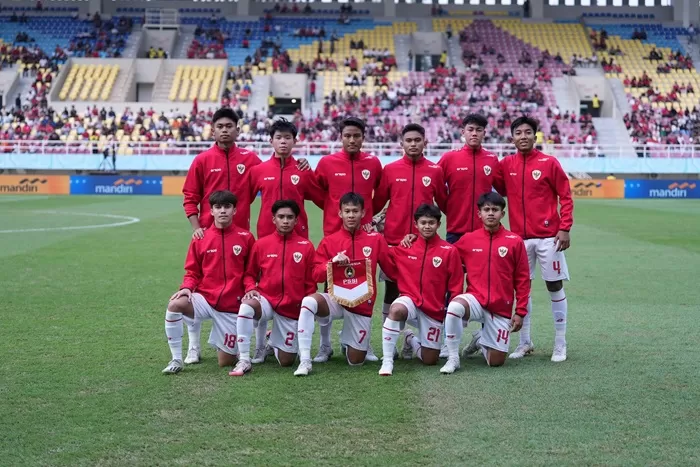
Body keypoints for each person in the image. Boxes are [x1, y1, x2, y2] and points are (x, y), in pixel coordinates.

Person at [181, 108, 310, 363]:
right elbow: (190, 198)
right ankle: (193, 346)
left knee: (249, 288)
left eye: (230, 125)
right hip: (209, 237)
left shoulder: (251, 160)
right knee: (199, 286)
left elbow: (265, 183)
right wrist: (197, 227)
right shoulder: (202, 160)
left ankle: (258, 343)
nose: (225, 129)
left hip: (242, 238)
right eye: (220, 125)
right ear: (213, 129)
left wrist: (300, 163)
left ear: (238, 130)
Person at [496, 116, 573, 363]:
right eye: (518, 133)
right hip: (519, 239)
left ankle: (560, 344)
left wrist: (565, 227)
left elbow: (566, 196)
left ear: (535, 135)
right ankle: (525, 342)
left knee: (554, 286)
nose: (523, 137)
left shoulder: (549, 163)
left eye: (528, 132)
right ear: (512, 137)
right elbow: (493, 188)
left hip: (549, 238)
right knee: (522, 290)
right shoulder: (506, 164)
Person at [293, 193, 396, 376]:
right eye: (347, 211)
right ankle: (305, 361)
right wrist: (332, 263)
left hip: (361, 304)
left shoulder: (376, 240)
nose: (351, 215)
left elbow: (392, 268)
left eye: (355, 211)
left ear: (363, 213)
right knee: (309, 302)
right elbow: (316, 275)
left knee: (356, 362)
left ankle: (346, 340)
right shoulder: (329, 241)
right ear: (339, 213)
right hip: (335, 299)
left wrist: (407, 246)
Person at [162, 191, 256, 374]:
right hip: (205, 298)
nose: (223, 211)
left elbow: (250, 272)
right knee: (175, 304)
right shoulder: (200, 238)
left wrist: (250, 288)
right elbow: (192, 272)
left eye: (227, 207)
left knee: (225, 362)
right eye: (218, 207)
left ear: (235, 210)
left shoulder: (246, 237)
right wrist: (187, 288)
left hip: (231, 305)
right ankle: (176, 359)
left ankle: (228, 343)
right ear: (211, 211)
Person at [313, 117, 383, 362]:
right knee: (330, 288)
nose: (352, 140)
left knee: (366, 286)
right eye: (347, 136)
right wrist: (334, 212)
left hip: (364, 237)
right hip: (336, 237)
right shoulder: (327, 163)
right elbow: (315, 191)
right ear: (340, 137)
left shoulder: (373, 163)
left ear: (363, 137)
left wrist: (370, 220)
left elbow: (381, 194)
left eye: (356, 136)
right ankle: (325, 345)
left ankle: (361, 340)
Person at [440, 192, 530, 373]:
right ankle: (453, 358)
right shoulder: (467, 239)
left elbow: (522, 279)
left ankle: (480, 339)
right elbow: (442, 253)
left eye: (495, 210)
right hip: (476, 299)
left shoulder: (514, 241)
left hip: (500, 307)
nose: (491, 213)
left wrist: (520, 312)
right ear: (479, 214)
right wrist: (414, 239)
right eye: (486, 209)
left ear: (502, 214)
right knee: (454, 307)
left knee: (495, 362)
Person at [372, 123, 447, 331]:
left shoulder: (435, 170)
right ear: (401, 143)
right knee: (391, 288)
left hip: (424, 243)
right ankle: (392, 336)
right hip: (394, 241)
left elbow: (443, 203)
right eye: (409, 140)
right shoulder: (390, 169)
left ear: (425, 142)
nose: (413, 144)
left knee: (423, 289)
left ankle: (417, 337)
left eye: (417, 140)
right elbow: (377, 203)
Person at [231, 200, 317, 375]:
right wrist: (249, 288)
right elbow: (249, 274)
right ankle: (244, 359)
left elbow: (311, 281)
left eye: (290, 217)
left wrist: (306, 308)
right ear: (273, 219)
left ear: (296, 220)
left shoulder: (306, 246)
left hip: (292, 307)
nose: (285, 221)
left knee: (286, 362)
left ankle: (272, 340)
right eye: (281, 217)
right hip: (267, 300)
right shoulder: (261, 244)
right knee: (247, 306)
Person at [379, 204, 463, 376]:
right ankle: (387, 361)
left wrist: (452, 311)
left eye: (431, 222)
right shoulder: (405, 247)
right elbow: (383, 256)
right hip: (409, 299)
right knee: (396, 310)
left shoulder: (449, 251)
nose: (427, 226)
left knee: (430, 360)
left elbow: (456, 284)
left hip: (433, 309)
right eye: (423, 222)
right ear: (415, 224)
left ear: (439, 224)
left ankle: (410, 339)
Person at [438, 114, 502, 244]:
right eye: (470, 129)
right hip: (456, 230)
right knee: (454, 265)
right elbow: (435, 186)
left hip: (484, 230)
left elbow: (503, 190)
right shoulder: (449, 158)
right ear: (463, 132)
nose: (474, 133)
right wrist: (450, 209)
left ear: (484, 133)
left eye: (478, 130)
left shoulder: (492, 159)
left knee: (484, 265)